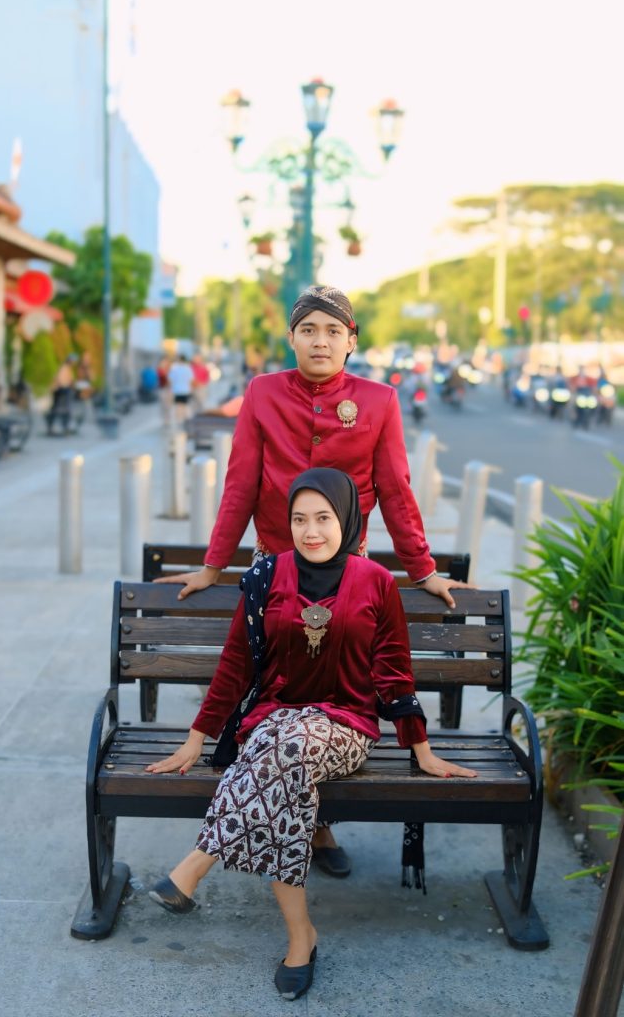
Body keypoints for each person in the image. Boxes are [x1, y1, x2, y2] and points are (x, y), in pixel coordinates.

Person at [156, 286, 469, 875]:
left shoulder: (378, 400)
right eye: (308, 329)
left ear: (351, 341)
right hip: (275, 570)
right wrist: (214, 565)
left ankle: (291, 832)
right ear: (292, 338)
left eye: (332, 330)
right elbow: (241, 483)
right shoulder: (263, 392)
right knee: (279, 692)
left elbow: (396, 489)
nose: (320, 341)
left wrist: (423, 569)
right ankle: (307, 831)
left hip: (346, 575)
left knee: (330, 694)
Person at [145, 469, 476, 1001]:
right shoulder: (265, 576)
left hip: (345, 725)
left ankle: (197, 864)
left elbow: (394, 672)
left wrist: (422, 748)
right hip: (274, 720)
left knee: (284, 751)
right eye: (299, 519)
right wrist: (196, 736)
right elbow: (236, 662)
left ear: (346, 520)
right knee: (284, 768)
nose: (311, 531)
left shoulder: (376, 582)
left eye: (323, 518)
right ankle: (301, 936)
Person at [167, 354, 195, 426]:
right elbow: (191, 380)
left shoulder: (174, 369)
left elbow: (170, 380)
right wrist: (191, 389)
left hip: (177, 390)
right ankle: (187, 420)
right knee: (186, 406)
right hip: (185, 390)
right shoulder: (188, 369)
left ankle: (180, 421)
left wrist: (170, 389)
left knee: (179, 407)